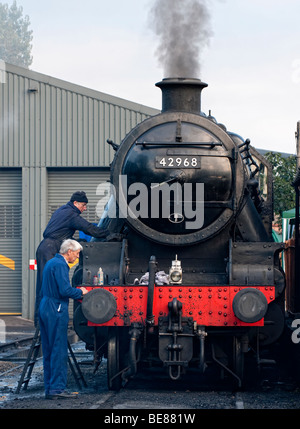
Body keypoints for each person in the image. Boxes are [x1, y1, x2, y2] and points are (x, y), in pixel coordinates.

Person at [34, 190, 120, 325]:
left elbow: (61, 233)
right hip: (50, 249)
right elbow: (89, 228)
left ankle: (43, 321)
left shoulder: (62, 210)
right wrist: (109, 234)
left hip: (47, 247)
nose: (85, 209)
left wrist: (78, 241)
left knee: (45, 283)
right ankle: (42, 321)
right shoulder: (71, 214)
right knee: (46, 285)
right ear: (75, 203)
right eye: (83, 205)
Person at [39, 239, 88, 399]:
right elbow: (65, 290)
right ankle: (57, 389)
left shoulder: (51, 262)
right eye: (77, 253)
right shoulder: (61, 265)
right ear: (69, 252)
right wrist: (81, 292)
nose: (77, 256)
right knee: (58, 350)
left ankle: (50, 389)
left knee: (48, 349)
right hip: (56, 308)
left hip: (45, 305)